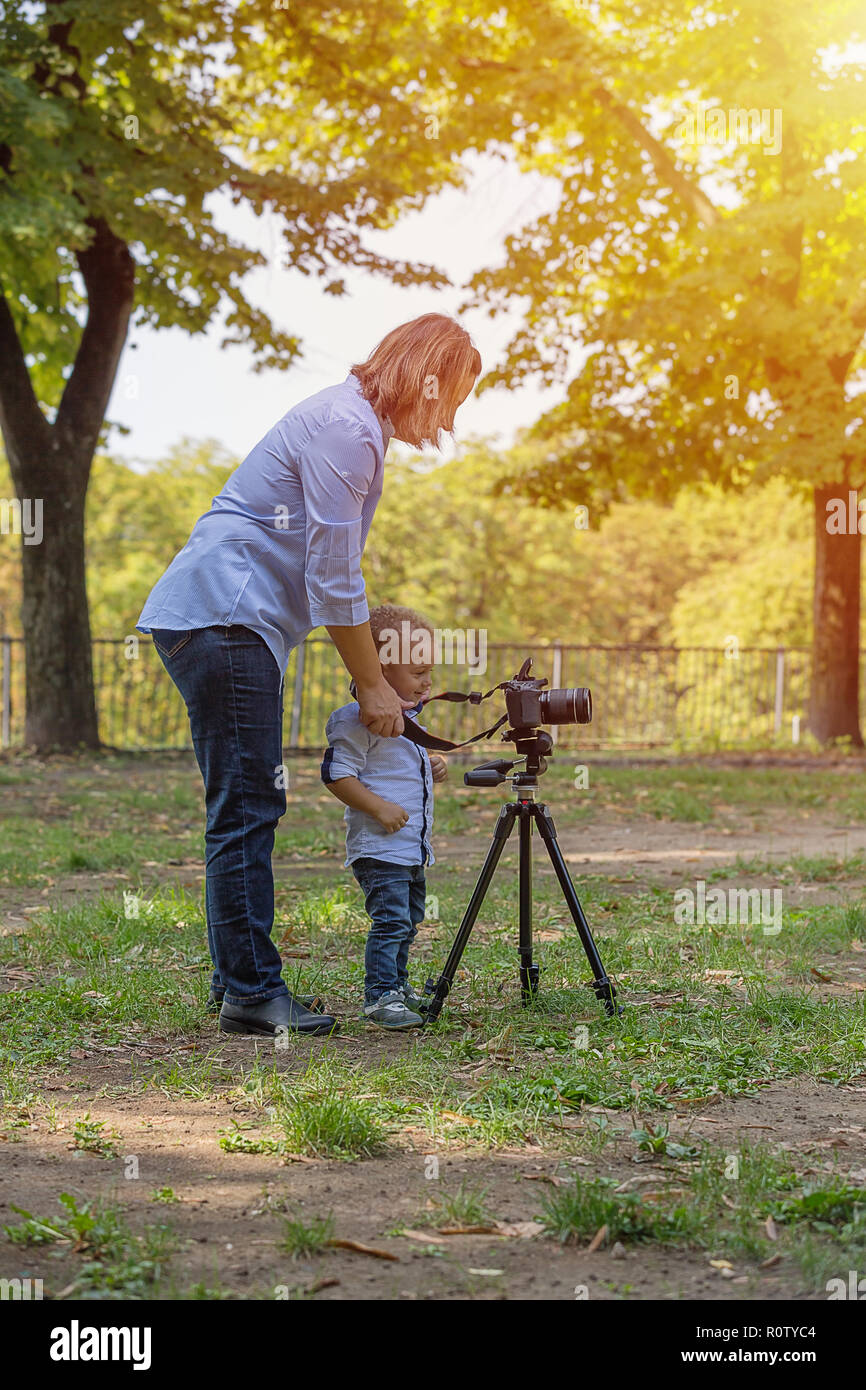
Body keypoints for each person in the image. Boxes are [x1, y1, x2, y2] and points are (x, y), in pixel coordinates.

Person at [135, 314, 480, 1037]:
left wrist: (374, 676)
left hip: (224, 618)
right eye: (451, 395)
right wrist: (374, 685)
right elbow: (332, 576)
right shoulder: (346, 430)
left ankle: (237, 977)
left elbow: (333, 577)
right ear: (425, 376)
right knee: (247, 805)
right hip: (223, 614)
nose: (450, 416)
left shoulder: (353, 426)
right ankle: (252, 992)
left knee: (243, 800)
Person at [321, 605, 447, 1029]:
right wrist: (378, 807)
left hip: (410, 846)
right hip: (380, 846)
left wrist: (432, 766)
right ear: (378, 669)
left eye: (429, 670)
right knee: (391, 920)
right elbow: (337, 775)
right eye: (418, 671)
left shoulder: (406, 722)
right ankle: (379, 996)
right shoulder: (356, 720)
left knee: (409, 920)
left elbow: (396, 771)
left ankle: (398, 985)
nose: (428, 680)